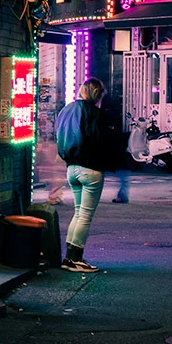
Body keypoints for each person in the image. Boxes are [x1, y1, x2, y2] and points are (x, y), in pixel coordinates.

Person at [52, 77, 123, 272]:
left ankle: (69, 258)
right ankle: (76, 258)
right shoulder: (94, 114)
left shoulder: (66, 110)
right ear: (96, 94)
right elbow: (100, 141)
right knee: (85, 216)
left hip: (71, 168)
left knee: (78, 213)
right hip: (90, 168)